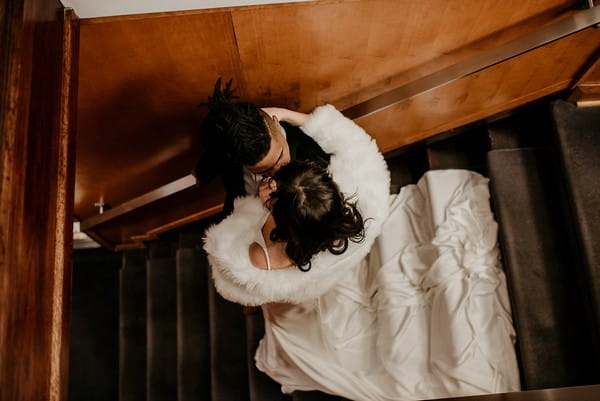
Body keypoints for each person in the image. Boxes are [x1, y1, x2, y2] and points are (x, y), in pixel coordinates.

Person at [203, 102, 521, 400]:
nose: (273, 173)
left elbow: (232, 273)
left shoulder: (256, 261)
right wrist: (292, 116)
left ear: (275, 209)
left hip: (296, 292)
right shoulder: (359, 203)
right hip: (326, 276)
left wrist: (252, 213)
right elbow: (356, 146)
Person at [194, 78, 330, 216]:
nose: (276, 172)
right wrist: (201, 174)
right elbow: (213, 158)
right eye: (264, 171)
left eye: (280, 158)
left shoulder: (310, 148)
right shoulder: (228, 151)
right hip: (237, 215)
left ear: (276, 124)